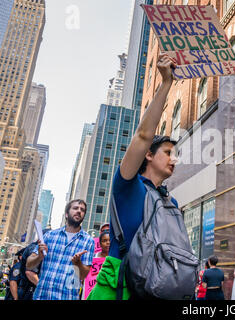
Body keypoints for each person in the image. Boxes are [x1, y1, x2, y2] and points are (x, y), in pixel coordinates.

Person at [87, 53, 178, 300]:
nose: (174, 159)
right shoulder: (127, 185)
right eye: (168, 153)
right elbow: (142, 136)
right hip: (116, 290)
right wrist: (166, 84)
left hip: (154, 290)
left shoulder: (172, 202)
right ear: (148, 155)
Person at [26, 199, 95, 300]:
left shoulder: (88, 241)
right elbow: (29, 264)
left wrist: (78, 263)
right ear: (66, 214)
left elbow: (83, 276)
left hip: (68, 297)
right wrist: (39, 257)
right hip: (42, 295)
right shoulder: (49, 235)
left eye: (82, 210)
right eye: (75, 208)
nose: (79, 211)